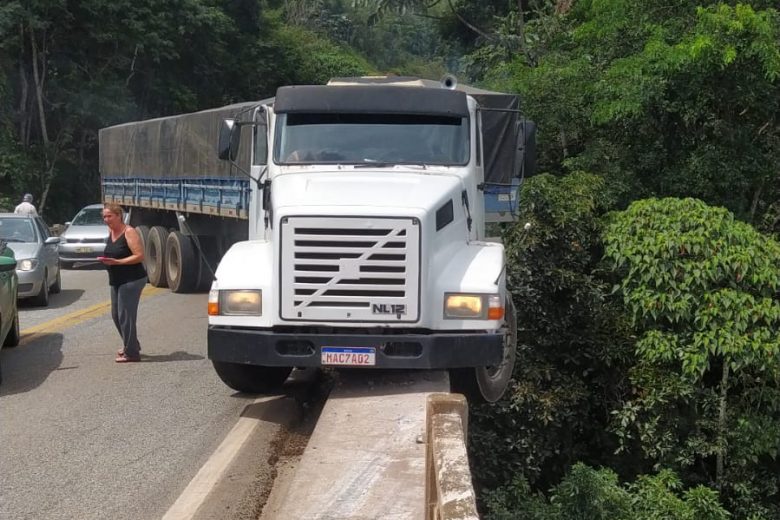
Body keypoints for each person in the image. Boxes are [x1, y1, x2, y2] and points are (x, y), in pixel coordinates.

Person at [99, 203, 147, 363]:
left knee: (125, 315)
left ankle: (132, 353)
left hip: (132, 279)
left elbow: (139, 256)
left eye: (109, 216)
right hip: (116, 280)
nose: (106, 220)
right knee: (116, 315)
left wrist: (118, 262)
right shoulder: (110, 231)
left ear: (119, 216)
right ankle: (131, 344)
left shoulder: (129, 232)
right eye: (104, 217)